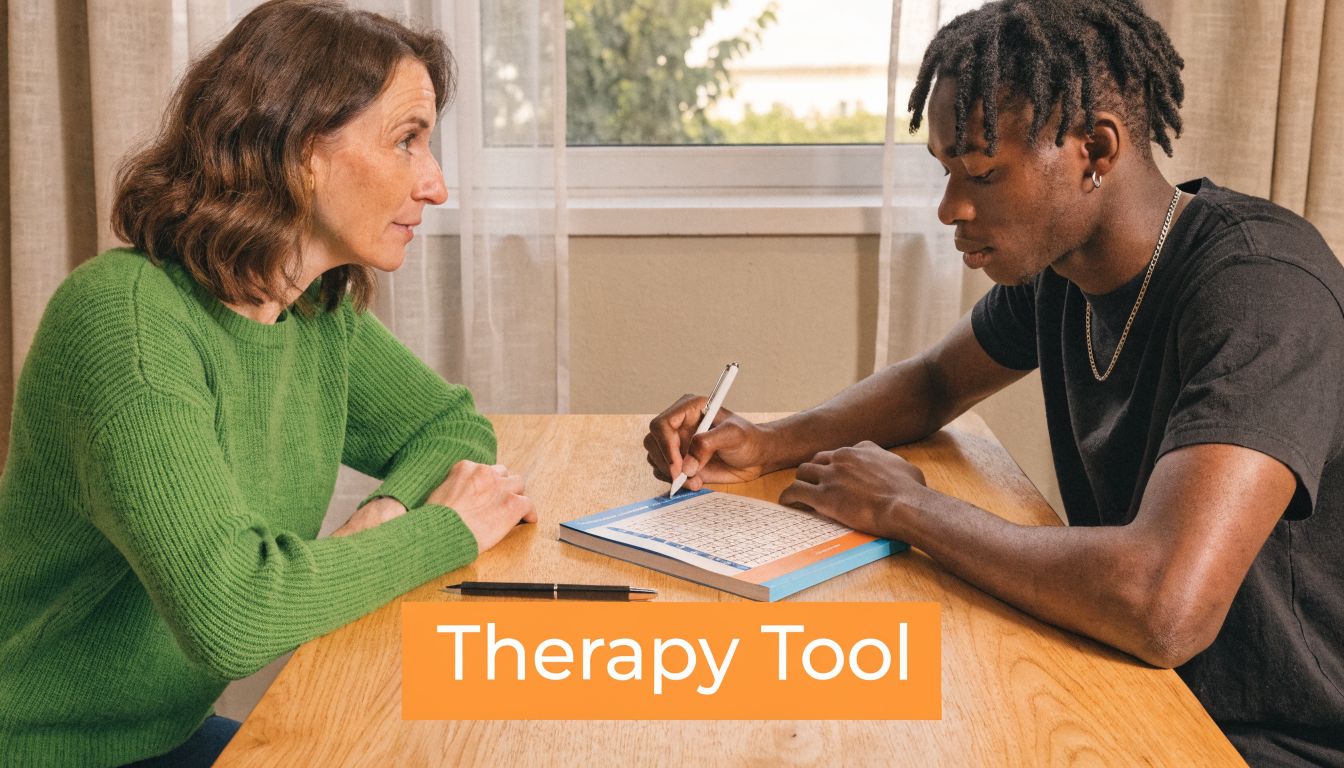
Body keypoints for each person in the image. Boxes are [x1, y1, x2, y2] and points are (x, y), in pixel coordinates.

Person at [644, 1, 1342, 765]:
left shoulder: (1261, 289)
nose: (952, 209)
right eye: (946, 171)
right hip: (1131, 680)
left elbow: (1163, 603)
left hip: (1273, 736)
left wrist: (910, 507)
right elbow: (938, 381)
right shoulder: (1063, 272)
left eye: (981, 172)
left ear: (1095, 149)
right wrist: (769, 441)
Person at [0, 2, 536, 766]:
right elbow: (235, 612)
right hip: (45, 750)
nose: (436, 187)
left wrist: (381, 514)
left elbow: (450, 428)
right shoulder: (125, 323)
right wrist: (443, 529)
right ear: (299, 149)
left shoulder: (311, 311)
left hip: (166, 736)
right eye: (407, 142)